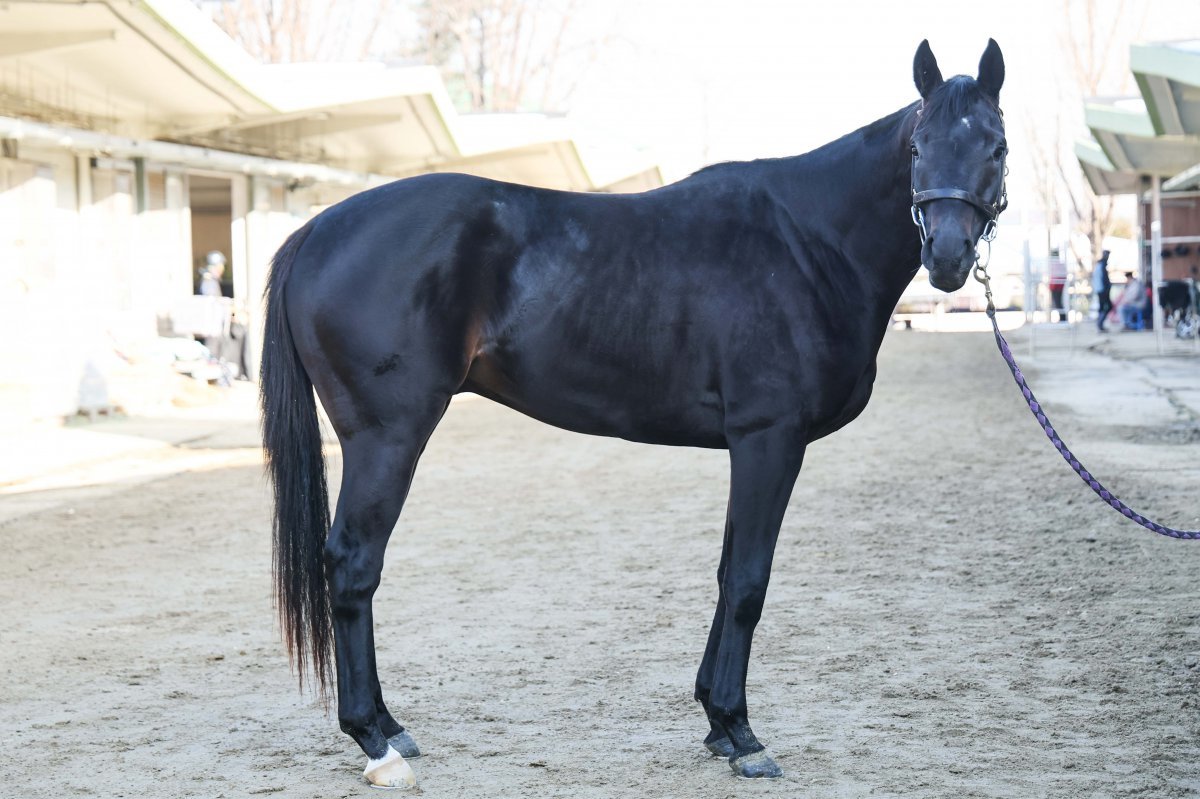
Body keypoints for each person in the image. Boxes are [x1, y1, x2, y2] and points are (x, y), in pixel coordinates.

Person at [1093, 250, 1113, 331]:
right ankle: (1100, 323)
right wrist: (1107, 288)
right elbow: (1104, 279)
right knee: (1108, 306)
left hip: (1100, 289)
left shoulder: (1099, 264)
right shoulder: (1102, 264)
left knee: (1102, 307)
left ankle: (1100, 323)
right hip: (1103, 290)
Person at [1048, 256, 1067, 322]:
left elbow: (1055, 277)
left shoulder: (1055, 265)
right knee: (1058, 303)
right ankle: (1062, 318)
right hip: (1058, 286)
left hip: (1056, 287)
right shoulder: (1060, 265)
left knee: (1058, 303)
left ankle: (1063, 318)